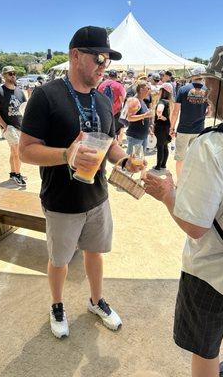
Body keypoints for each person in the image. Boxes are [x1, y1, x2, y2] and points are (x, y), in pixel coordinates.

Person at [19, 25, 145, 339]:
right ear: (76, 56)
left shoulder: (103, 100)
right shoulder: (46, 95)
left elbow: (110, 142)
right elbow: (26, 151)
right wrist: (66, 155)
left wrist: (125, 160)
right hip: (61, 200)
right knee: (60, 260)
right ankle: (57, 304)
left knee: (95, 252)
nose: (105, 66)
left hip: (98, 197)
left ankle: (96, 300)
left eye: (108, 61)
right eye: (99, 58)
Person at [143, 44, 223, 377]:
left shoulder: (213, 145)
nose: (205, 94)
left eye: (211, 85)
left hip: (210, 273)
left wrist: (166, 193)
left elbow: (194, 225)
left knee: (204, 350)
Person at [170, 66, 209, 179]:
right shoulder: (207, 90)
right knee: (195, 159)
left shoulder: (183, 89)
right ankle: (192, 181)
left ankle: (180, 181)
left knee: (180, 159)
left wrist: (172, 127)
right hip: (199, 129)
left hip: (184, 129)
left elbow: (175, 111)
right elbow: (210, 110)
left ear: (193, 76)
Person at [0, 66, 27, 186]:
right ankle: (17, 175)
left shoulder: (20, 91)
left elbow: (23, 108)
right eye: (10, 73)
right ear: (4, 76)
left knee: (14, 152)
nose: (13, 75)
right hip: (9, 127)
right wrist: (5, 126)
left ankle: (13, 173)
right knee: (17, 151)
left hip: (20, 126)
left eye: (14, 73)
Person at [98, 69, 126, 144]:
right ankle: (118, 144)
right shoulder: (118, 86)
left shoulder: (101, 85)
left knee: (105, 130)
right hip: (116, 112)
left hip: (104, 112)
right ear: (116, 76)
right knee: (119, 129)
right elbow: (122, 99)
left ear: (109, 76)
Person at [125, 81, 153, 155]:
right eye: (148, 89)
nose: (149, 91)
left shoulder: (141, 101)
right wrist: (145, 115)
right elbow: (129, 117)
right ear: (141, 89)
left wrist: (149, 129)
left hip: (142, 135)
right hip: (135, 136)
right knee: (132, 161)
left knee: (139, 161)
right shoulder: (134, 100)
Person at [151, 82, 173, 173]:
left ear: (163, 91)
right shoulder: (169, 101)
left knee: (160, 146)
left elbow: (159, 110)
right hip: (167, 126)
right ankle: (163, 164)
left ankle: (158, 166)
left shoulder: (162, 101)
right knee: (165, 146)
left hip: (160, 127)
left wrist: (160, 116)